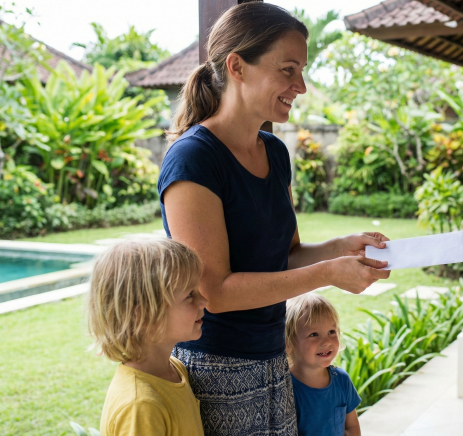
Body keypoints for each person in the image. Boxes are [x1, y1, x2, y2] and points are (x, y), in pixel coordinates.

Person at [157, 3, 390, 435]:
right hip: (217, 369)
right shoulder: (194, 158)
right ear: (237, 67)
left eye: (301, 70)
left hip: (275, 360)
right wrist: (328, 273)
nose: (300, 85)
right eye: (288, 69)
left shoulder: (275, 152)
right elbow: (215, 291)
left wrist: (340, 248)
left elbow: (287, 254)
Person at [88, 239, 208, 436]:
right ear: (143, 316)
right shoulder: (140, 405)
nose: (204, 301)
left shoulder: (175, 369)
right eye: (189, 295)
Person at [285, 294, 361, 436]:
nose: (327, 342)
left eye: (331, 332)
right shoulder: (286, 388)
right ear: (288, 343)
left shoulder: (342, 380)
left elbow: (352, 426)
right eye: (314, 334)